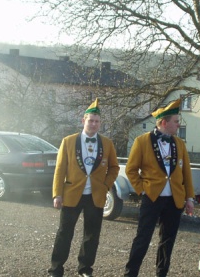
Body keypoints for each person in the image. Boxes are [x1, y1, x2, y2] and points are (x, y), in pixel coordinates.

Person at [48, 98, 120, 277]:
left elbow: (114, 168)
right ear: (83, 121)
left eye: (97, 121)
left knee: (92, 236)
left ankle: (85, 269)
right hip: (72, 194)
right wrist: (57, 194)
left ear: (100, 123)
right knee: (64, 233)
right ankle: (56, 269)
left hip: (95, 196)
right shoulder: (68, 141)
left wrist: (105, 185)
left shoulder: (107, 143)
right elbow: (60, 170)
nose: (93, 124)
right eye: (90, 120)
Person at [123, 99, 195, 277]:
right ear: (164, 122)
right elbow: (130, 169)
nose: (178, 125)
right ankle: (130, 273)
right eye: (176, 122)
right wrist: (142, 189)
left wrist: (189, 198)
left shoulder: (179, 143)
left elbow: (186, 172)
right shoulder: (142, 141)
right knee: (143, 238)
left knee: (168, 240)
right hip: (152, 197)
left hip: (174, 199)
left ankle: (161, 273)